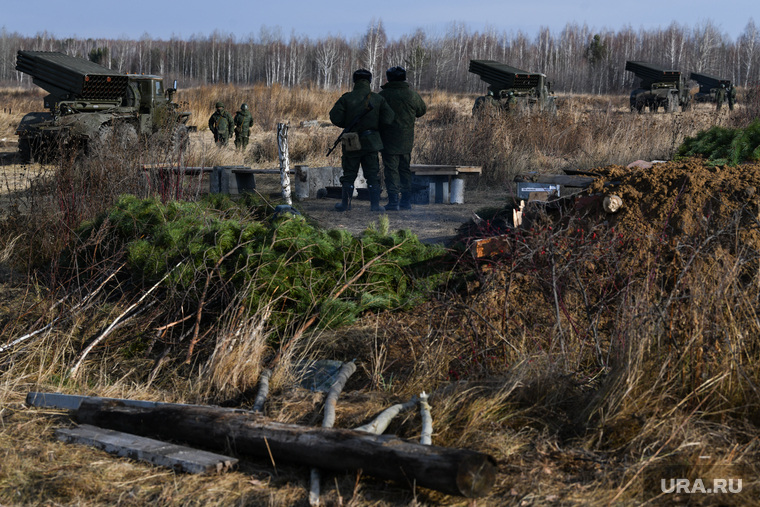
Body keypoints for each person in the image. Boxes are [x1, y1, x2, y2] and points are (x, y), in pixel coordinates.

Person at [329, 69, 395, 212]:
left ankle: (345, 205)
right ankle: (375, 205)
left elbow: (335, 117)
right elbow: (389, 118)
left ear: (355, 81)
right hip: (371, 141)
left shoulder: (347, 98)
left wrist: (348, 124)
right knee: (372, 173)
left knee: (349, 173)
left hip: (351, 140)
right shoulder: (377, 99)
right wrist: (375, 126)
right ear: (370, 81)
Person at [378, 66, 427, 211]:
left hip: (387, 139)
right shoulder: (412, 95)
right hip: (406, 139)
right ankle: (406, 201)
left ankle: (393, 201)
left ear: (389, 79)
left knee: (391, 169)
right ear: (404, 78)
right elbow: (421, 110)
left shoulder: (383, 95)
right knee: (404, 169)